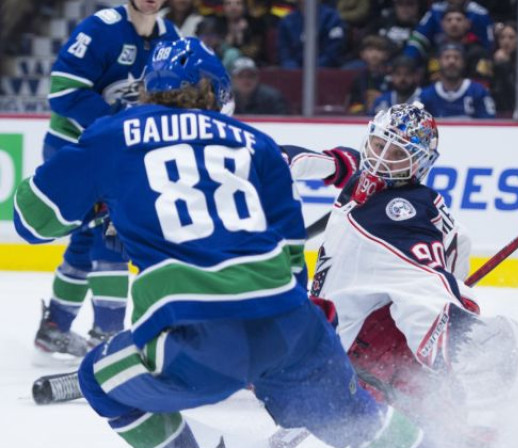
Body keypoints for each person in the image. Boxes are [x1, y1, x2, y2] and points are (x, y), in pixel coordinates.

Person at [13, 37, 426, 448]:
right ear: (218, 91)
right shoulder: (256, 142)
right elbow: (292, 264)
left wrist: (102, 202)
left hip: (197, 340)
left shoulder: (113, 136)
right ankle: (443, 440)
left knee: (96, 381)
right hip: (294, 329)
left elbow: (31, 222)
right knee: (364, 429)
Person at [292, 103, 518, 447]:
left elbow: (424, 285)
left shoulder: (399, 216)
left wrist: (460, 338)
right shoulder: (373, 183)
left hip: (364, 363)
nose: (382, 158)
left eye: (398, 153)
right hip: (357, 346)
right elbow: (343, 164)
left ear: (419, 164)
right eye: (378, 144)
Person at [34, 0, 181, 361]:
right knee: (110, 232)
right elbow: (64, 93)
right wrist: (121, 126)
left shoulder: (171, 37)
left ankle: (55, 326)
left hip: (120, 152)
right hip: (76, 149)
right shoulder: (100, 28)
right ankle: (108, 336)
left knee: (87, 239)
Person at [418, 43, 496, 118]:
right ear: (439, 62)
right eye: (447, 57)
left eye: (456, 57)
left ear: (464, 62)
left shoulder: (479, 92)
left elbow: (490, 123)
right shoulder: (425, 95)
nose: (452, 61)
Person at [278, 1, 345, 68]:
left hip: (326, 71)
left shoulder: (332, 18)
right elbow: (285, 53)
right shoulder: (287, 21)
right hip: (295, 71)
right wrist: (294, 71)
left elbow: (332, 53)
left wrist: (312, 68)